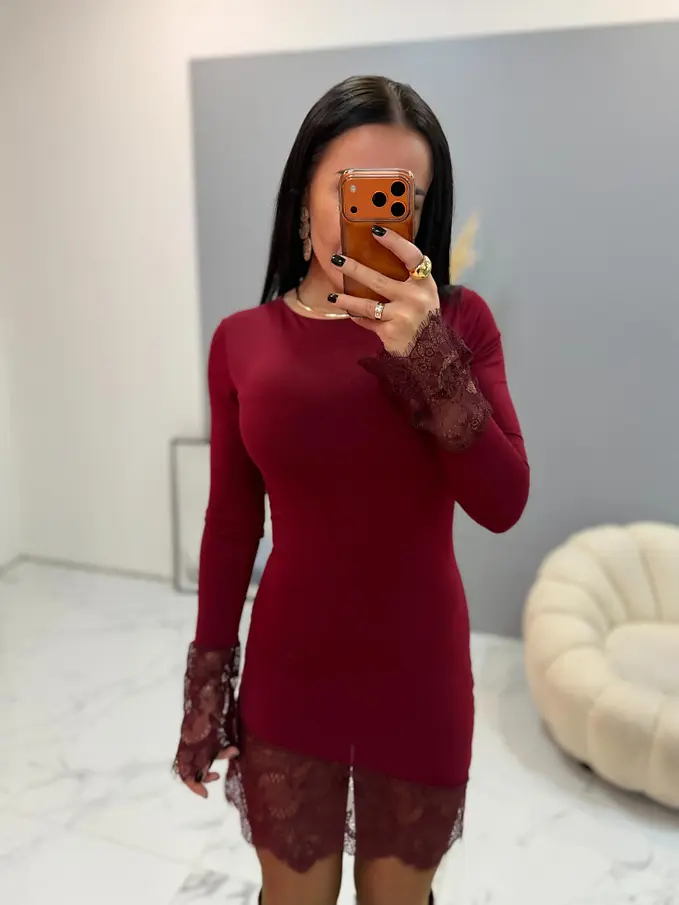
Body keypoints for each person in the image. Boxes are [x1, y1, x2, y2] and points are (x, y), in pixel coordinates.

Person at [173, 75, 529, 905]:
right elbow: (231, 523)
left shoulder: (459, 325)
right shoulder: (242, 340)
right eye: (354, 188)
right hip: (291, 673)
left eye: (403, 197)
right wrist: (207, 686)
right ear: (305, 189)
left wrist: (429, 357)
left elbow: (502, 501)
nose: (381, 217)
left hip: (419, 675)